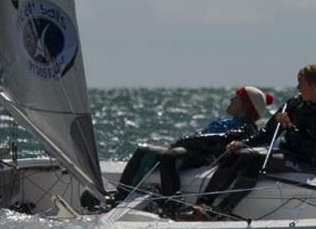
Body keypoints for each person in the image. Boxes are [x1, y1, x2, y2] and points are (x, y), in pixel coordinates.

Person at [190, 63, 316, 220]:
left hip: (310, 164)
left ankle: (223, 210)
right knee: (240, 153)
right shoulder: (294, 104)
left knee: (256, 158)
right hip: (287, 155)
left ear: (315, 86)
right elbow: (267, 133)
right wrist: (243, 143)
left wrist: (291, 128)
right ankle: (203, 204)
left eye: (301, 83)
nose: (298, 87)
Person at [116, 86, 274, 205]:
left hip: (204, 157)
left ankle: (173, 202)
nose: (231, 100)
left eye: (236, 98)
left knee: (168, 156)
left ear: (246, 106)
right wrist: (186, 142)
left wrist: (185, 141)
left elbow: (216, 141)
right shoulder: (226, 122)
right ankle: (120, 196)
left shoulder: (248, 128)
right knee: (143, 151)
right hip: (189, 151)